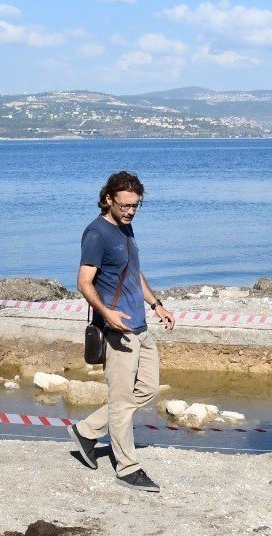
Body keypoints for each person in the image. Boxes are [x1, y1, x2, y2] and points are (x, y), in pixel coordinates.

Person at [66, 171, 175, 492]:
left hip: (140, 325)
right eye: (125, 205)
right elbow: (83, 282)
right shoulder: (96, 234)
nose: (130, 211)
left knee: (149, 390)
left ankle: (86, 431)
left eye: (135, 206)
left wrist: (157, 305)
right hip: (117, 330)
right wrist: (107, 314)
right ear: (108, 199)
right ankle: (127, 467)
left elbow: (134, 274)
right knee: (121, 398)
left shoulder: (126, 228)